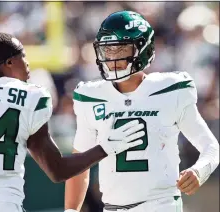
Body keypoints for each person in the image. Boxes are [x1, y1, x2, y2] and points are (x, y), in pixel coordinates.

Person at [0, 32, 146, 212]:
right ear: (9, 63)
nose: (27, 64)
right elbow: (58, 171)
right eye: (22, 57)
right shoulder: (30, 97)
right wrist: (106, 147)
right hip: (4, 204)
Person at [64, 11, 219, 212]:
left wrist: (199, 171)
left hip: (160, 206)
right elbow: (79, 165)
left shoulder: (172, 90)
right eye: (108, 51)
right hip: (113, 208)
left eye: (121, 51)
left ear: (143, 49)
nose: (112, 59)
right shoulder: (91, 96)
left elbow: (211, 147)